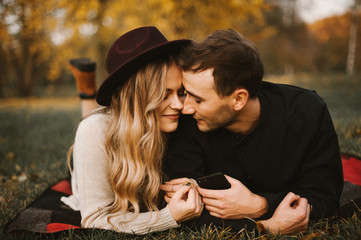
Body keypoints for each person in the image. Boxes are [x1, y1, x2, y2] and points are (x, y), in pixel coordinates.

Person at [161, 29, 343, 234]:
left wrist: (262, 205)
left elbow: (324, 199)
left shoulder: (307, 113)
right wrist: (265, 227)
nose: (185, 107)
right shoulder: (187, 122)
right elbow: (185, 212)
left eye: (198, 99)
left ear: (238, 99)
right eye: (186, 93)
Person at [61, 26, 203, 235]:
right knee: (90, 124)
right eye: (164, 95)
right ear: (137, 97)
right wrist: (168, 217)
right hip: (96, 145)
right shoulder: (95, 132)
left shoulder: (175, 120)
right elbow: (94, 219)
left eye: (180, 92)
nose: (179, 105)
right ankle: (87, 91)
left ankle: (87, 89)